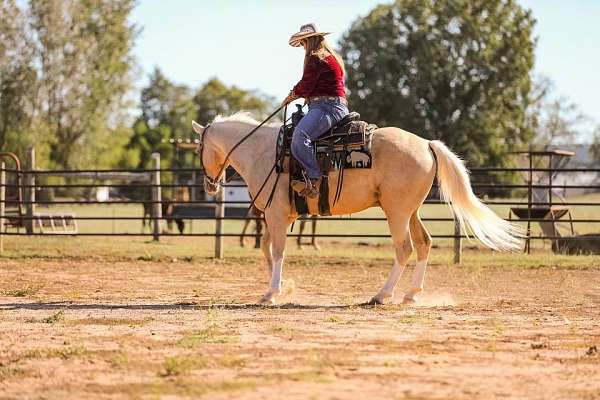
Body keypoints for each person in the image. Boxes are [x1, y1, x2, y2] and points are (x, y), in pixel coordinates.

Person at [282, 23, 349, 198]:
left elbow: (306, 85)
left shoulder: (315, 57)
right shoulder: (329, 57)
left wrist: (291, 95)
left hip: (326, 107)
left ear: (308, 41)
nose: (303, 46)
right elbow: (312, 86)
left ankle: (314, 178)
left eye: (303, 42)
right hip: (333, 106)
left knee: (300, 136)